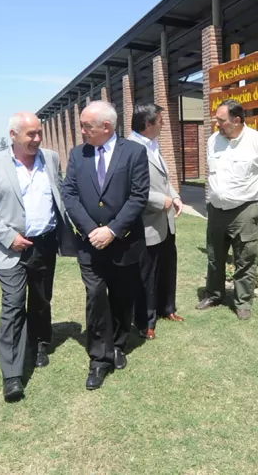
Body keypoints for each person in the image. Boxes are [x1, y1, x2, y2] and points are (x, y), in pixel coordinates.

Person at [0, 111, 75, 402]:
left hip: (45, 243)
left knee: (42, 299)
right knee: (14, 305)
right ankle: (12, 375)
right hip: (11, 248)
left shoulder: (51, 158)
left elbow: (59, 193)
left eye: (39, 133)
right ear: (13, 136)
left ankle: (40, 343)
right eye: (30, 134)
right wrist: (9, 237)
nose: (36, 139)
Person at [62, 100, 149, 391]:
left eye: (86, 126)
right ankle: (99, 357)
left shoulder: (135, 152)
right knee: (96, 296)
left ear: (106, 127)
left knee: (123, 296)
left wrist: (112, 230)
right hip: (90, 246)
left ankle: (119, 344)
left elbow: (138, 196)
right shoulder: (78, 155)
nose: (82, 131)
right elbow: (69, 194)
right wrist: (91, 230)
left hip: (124, 243)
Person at [198, 99, 258, 320]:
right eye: (217, 120)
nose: (217, 125)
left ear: (236, 120)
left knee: (245, 257)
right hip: (216, 209)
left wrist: (251, 195)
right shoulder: (214, 141)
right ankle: (214, 295)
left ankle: (242, 301)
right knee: (215, 256)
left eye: (221, 121)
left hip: (244, 210)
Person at [127, 103, 185, 340]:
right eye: (160, 121)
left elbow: (163, 179)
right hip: (147, 222)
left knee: (167, 267)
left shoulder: (153, 145)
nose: (163, 124)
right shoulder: (129, 148)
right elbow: (129, 188)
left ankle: (167, 308)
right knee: (146, 274)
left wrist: (176, 196)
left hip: (166, 221)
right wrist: (161, 200)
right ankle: (145, 321)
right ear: (148, 124)